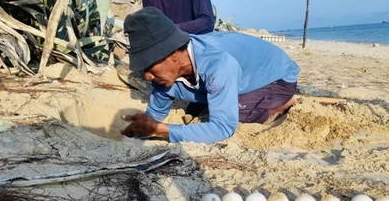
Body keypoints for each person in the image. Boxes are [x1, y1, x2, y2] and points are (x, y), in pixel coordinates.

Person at [121, 7, 300, 144]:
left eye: (150, 66)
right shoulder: (164, 73)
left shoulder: (217, 65)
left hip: (277, 76)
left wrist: (160, 130)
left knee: (239, 116)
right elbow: (156, 113)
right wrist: (140, 130)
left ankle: (283, 102)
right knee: (214, 101)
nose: (147, 77)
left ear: (173, 54)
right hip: (233, 74)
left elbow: (223, 128)